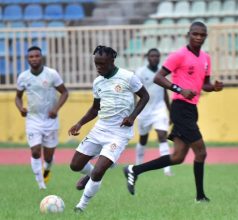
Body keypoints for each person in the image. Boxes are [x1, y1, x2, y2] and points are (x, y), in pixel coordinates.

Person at [123, 21, 224, 202]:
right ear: (189, 34)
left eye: (202, 35)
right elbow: (158, 77)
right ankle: (200, 197)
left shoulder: (206, 58)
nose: (198, 37)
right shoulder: (179, 55)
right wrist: (179, 89)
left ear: (205, 37)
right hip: (180, 108)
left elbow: (204, 84)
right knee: (201, 152)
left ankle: (134, 170)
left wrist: (214, 87)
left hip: (191, 109)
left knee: (177, 157)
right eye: (195, 34)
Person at [68, 45, 149, 212]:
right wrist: (79, 123)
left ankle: (80, 206)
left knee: (98, 172)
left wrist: (132, 117)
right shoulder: (97, 82)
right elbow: (95, 108)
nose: (98, 67)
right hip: (100, 129)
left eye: (102, 64)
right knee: (75, 165)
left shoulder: (128, 77)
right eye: (96, 64)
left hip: (119, 133)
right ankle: (90, 175)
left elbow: (145, 96)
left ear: (112, 61)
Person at [15, 46, 69, 190]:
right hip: (33, 120)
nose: (34, 59)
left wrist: (56, 109)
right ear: (27, 59)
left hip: (50, 120)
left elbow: (64, 93)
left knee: (49, 156)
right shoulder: (23, 77)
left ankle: (48, 168)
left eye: (37, 56)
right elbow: (18, 98)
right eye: (31, 57)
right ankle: (41, 183)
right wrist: (21, 108)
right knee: (35, 151)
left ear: (41, 57)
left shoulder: (52, 74)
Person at [135, 48, 173, 176]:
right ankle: (138, 164)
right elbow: (135, 92)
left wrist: (170, 111)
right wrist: (134, 111)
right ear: (147, 57)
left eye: (157, 56)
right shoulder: (140, 72)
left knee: (162, 136)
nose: (155, 58)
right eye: (152, 56)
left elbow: (165, 92)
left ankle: (167, 169)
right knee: (143, 140)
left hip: (159, 109)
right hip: (144, 111)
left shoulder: (161, 72)